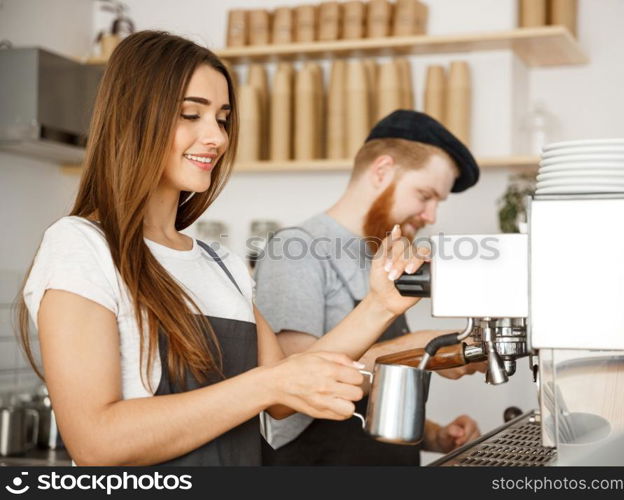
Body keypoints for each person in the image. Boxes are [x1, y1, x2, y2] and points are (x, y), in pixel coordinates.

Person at [15, 31, 427, 466]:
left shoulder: (221, 263)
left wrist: (380, 304)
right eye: (191, 114)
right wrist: (267, 385)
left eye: (223, 119)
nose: (216, 137)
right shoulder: (81, 245)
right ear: (132, 119)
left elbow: (285, 393)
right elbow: (96, 442)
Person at [255, 110, 485, 466]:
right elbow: (288, 393)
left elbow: (372, 397)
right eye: (425, 195)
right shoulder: (297, 251)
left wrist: (436, 435)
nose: (431, 216)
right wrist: (420, 348)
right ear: (382, 171)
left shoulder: (379, 254)